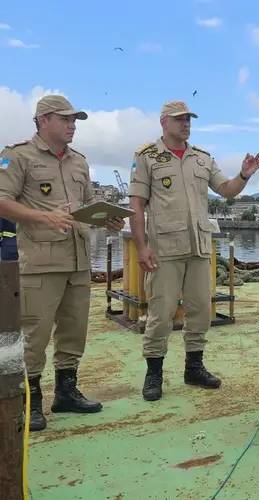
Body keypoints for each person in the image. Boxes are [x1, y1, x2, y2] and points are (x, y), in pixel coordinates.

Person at [0, 95, 125, 431]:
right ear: (43, 120)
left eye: (75, 121)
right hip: (40, 262)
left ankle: (66, 392)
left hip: (78, 261)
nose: (73, 126)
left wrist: (105, 219)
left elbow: (85, 205)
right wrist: (43, 217)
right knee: (34, 336)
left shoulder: (79, 162)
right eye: (66, 119)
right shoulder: (17, 155)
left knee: (74, 332)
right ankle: (31, 401)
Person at [129, 100, 259, 401]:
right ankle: (154, 373)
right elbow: (136, 204)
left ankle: (194, 367)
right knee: (161, 313)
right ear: (164, 122)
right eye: (179, 119)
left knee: (201, 310)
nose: (186, 124)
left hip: (199, 247)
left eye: (188, 119)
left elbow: (226, 190)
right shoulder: (146, 157)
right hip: (164, 248)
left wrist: (243, 175)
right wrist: (142, 247)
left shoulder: (202, 159)